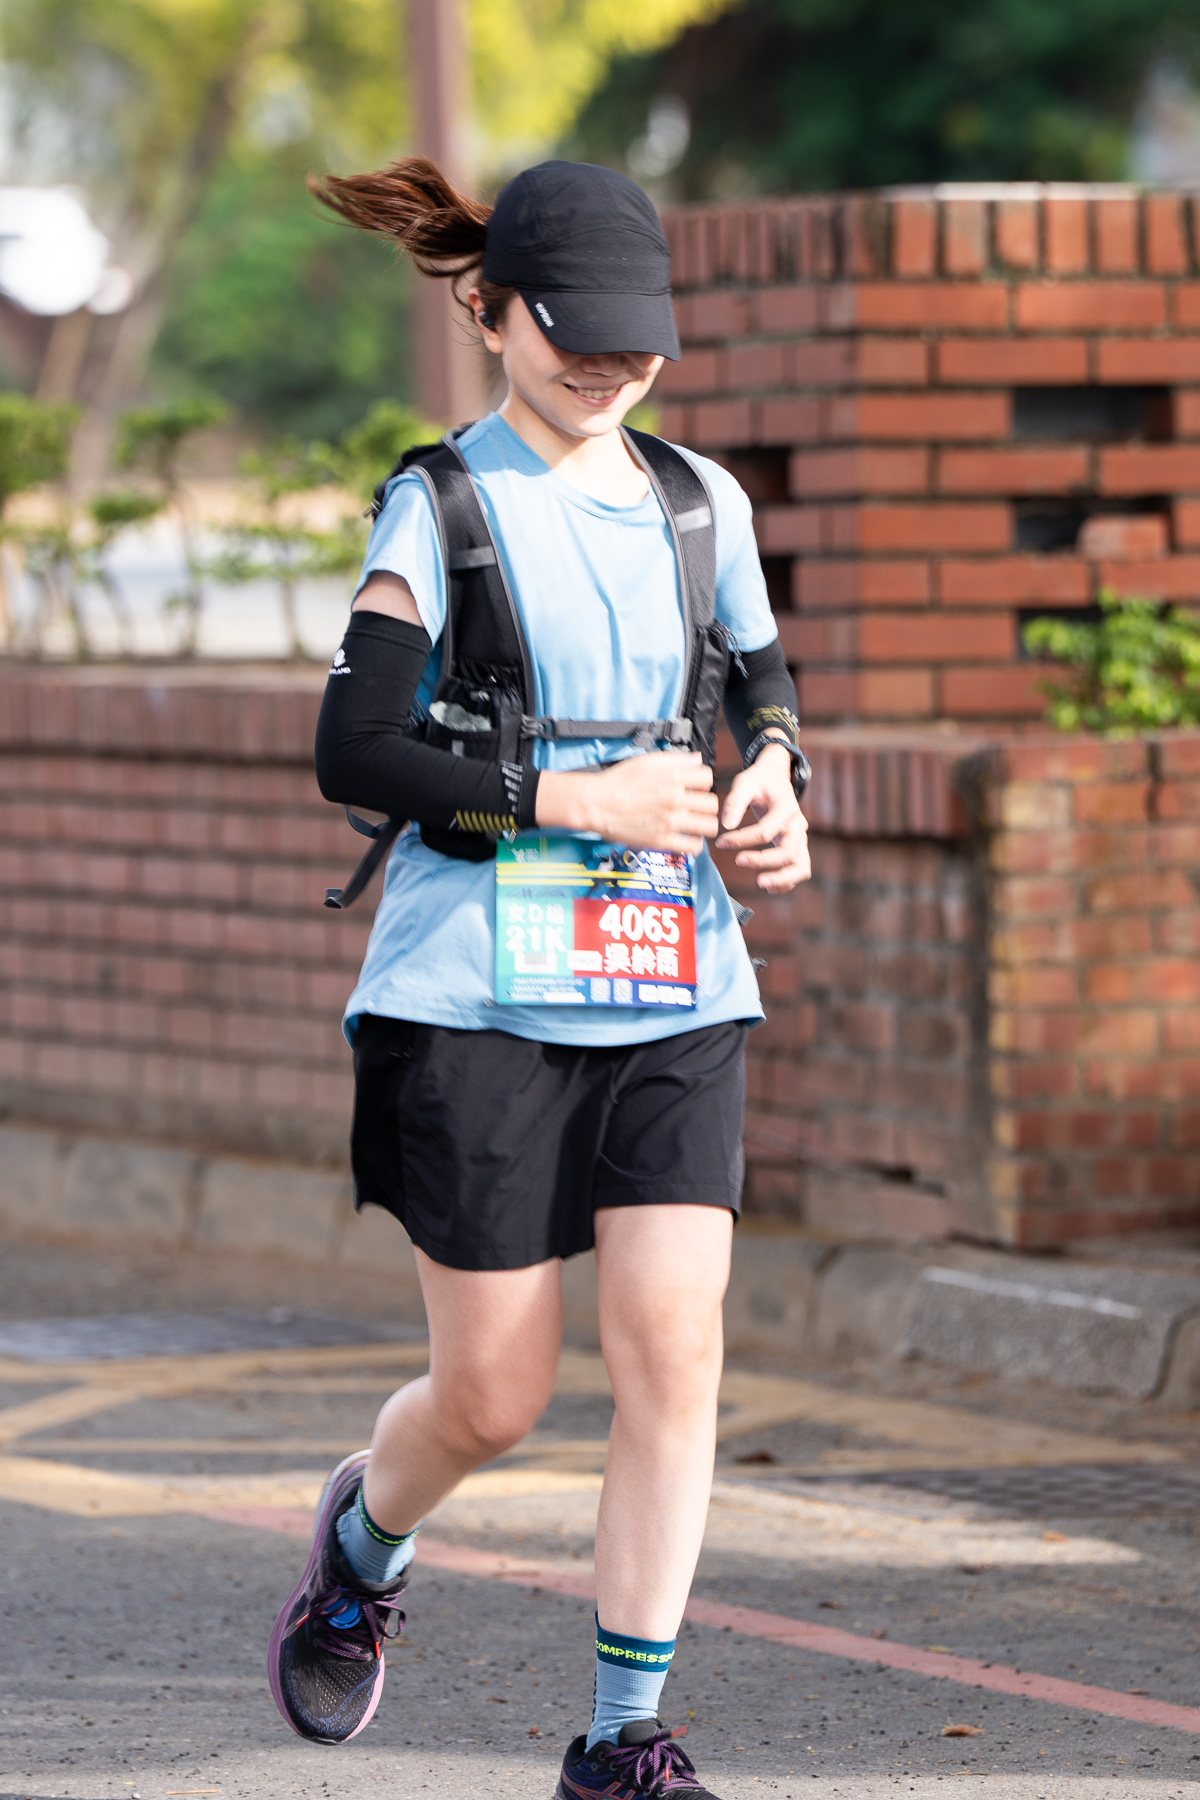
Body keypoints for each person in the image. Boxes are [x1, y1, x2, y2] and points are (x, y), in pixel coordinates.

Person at [267, 155, 811, 1800]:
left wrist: (779, 779)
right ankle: (363, 1542)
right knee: (495, 1396)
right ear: (491, 310)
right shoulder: (441, 506)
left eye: (638, 340)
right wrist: (575, 799)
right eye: (575, 334)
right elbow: (354, 748)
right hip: (473, 995)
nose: (610, 366)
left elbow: (762, 687)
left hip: (674, 980)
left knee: (675, 1349)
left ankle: (622, 1739)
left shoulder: (702, 503)